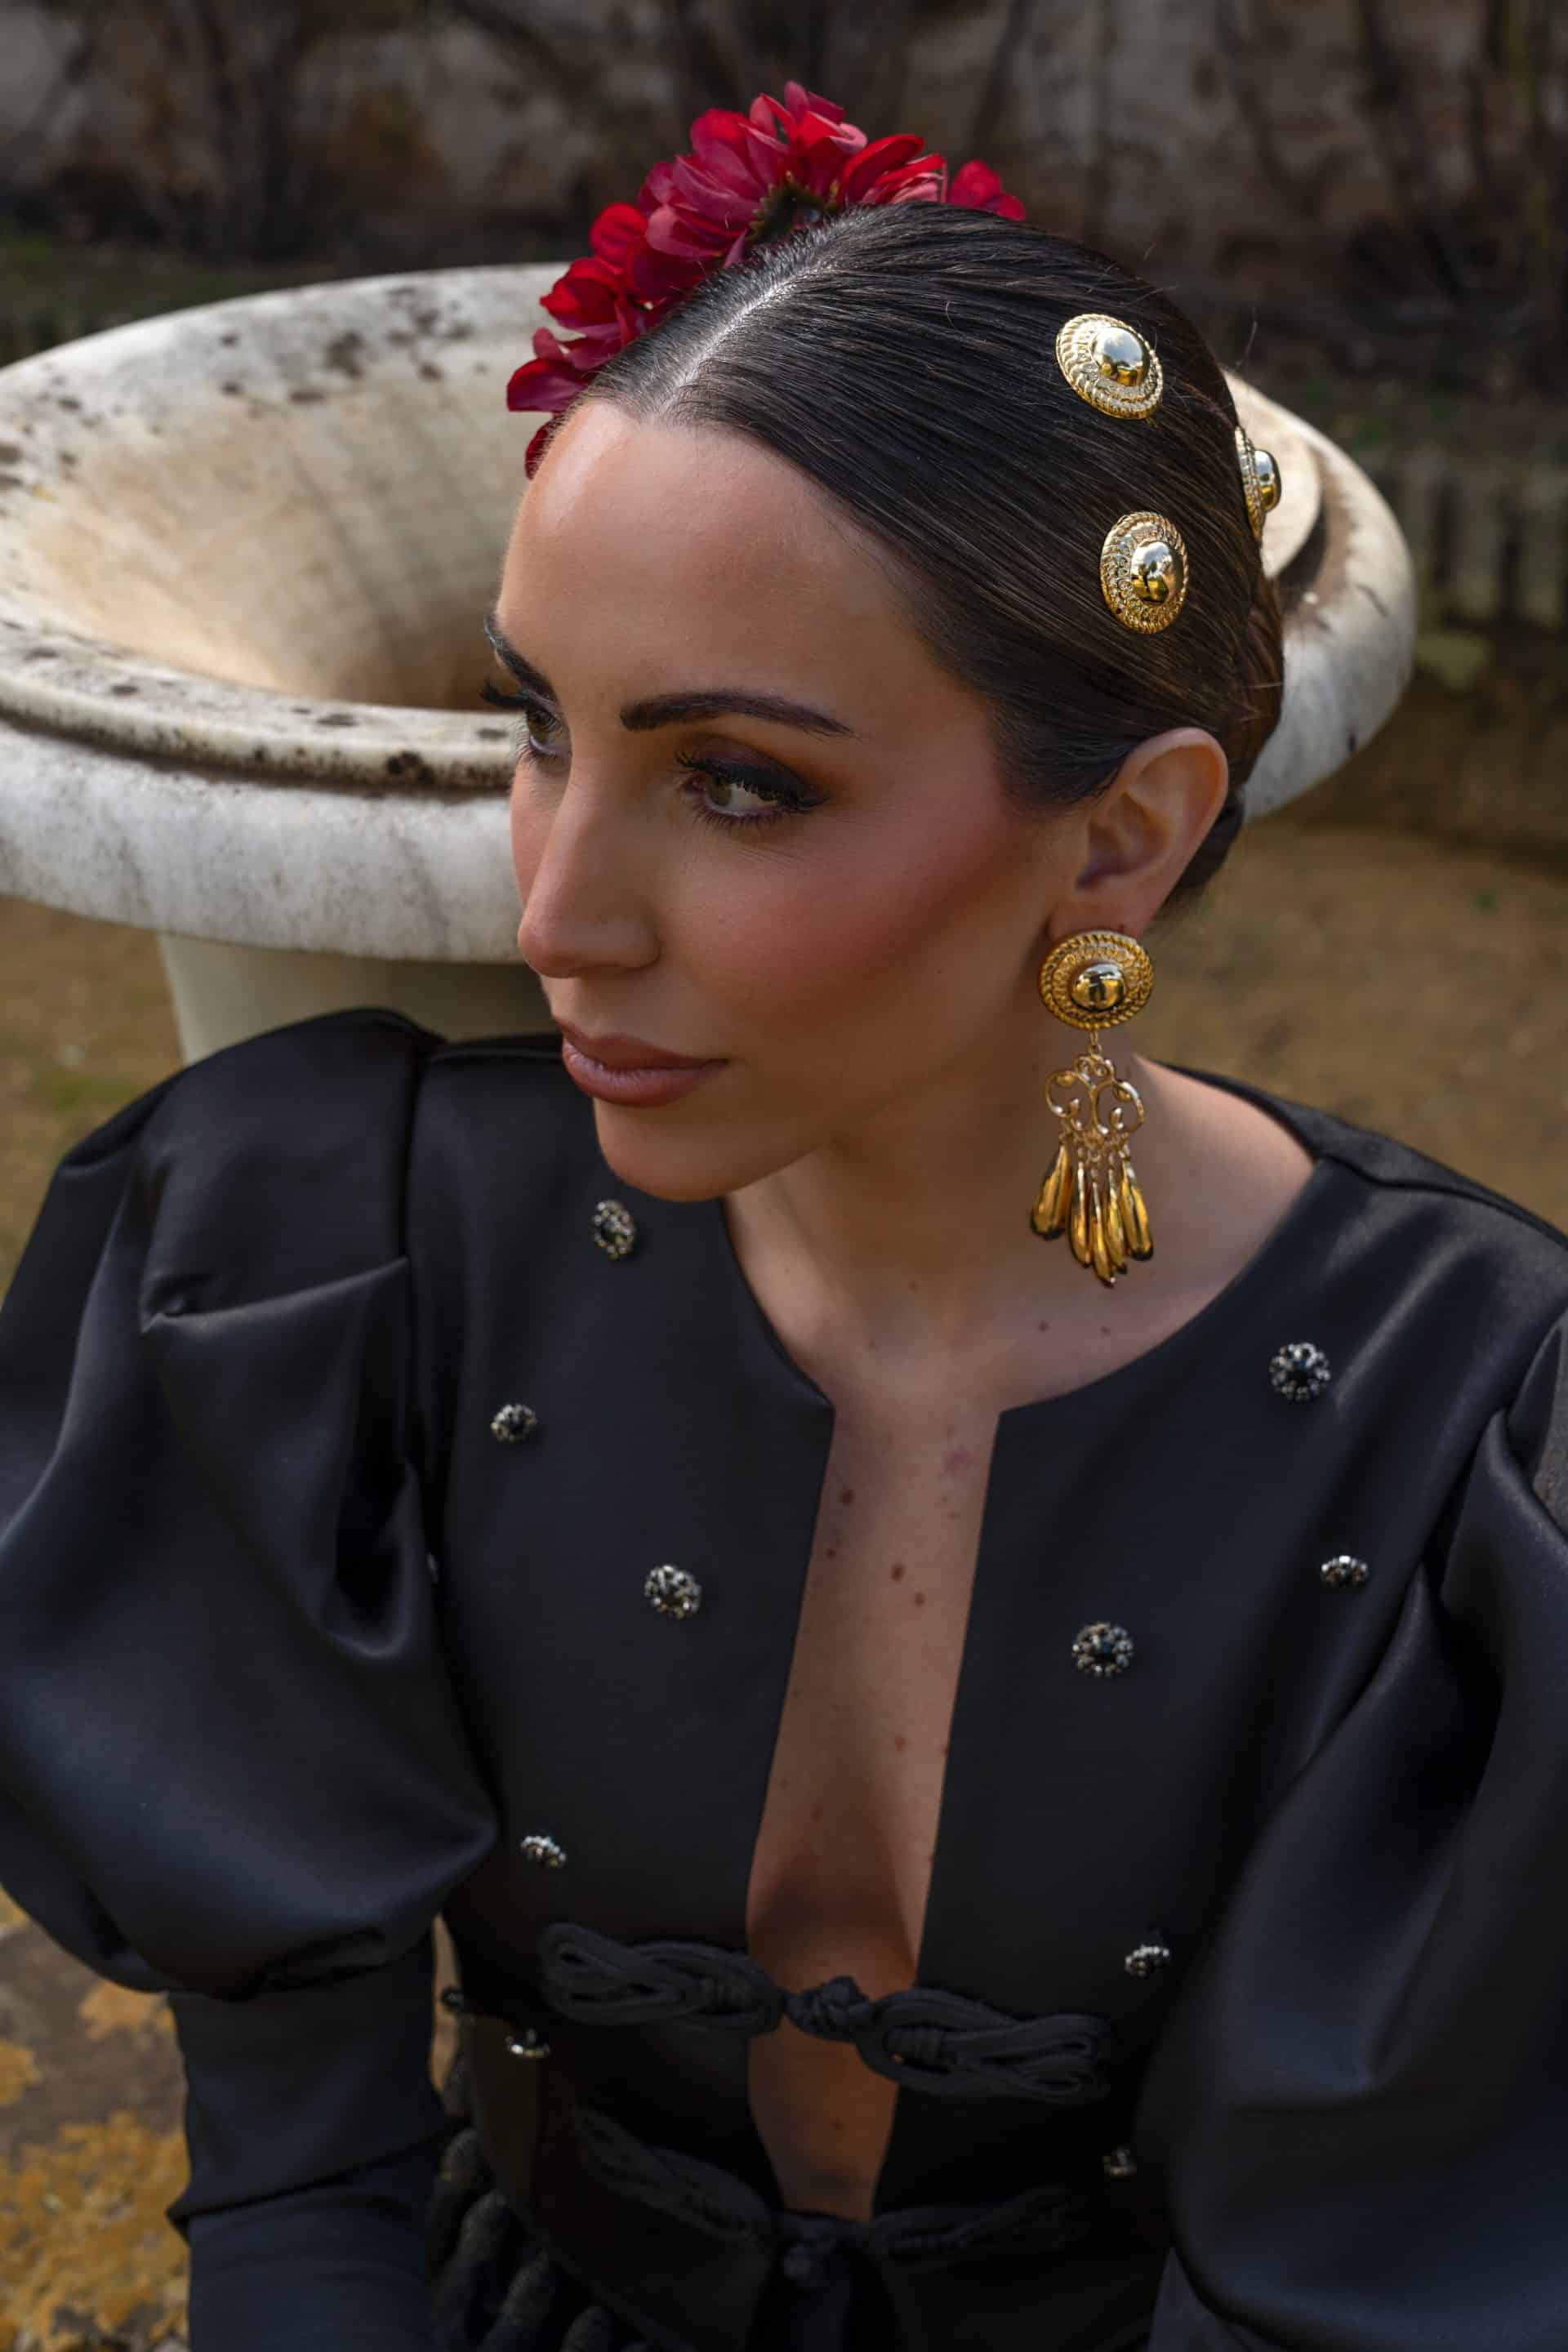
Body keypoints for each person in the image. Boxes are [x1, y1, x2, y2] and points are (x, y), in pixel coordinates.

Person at [2, 95, 1567, 2352]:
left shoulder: (1472, 1445)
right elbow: (302, 2190)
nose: (555, 914)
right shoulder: (339, 1259)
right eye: (542, 726)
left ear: (1119, 841)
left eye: (738, 782)